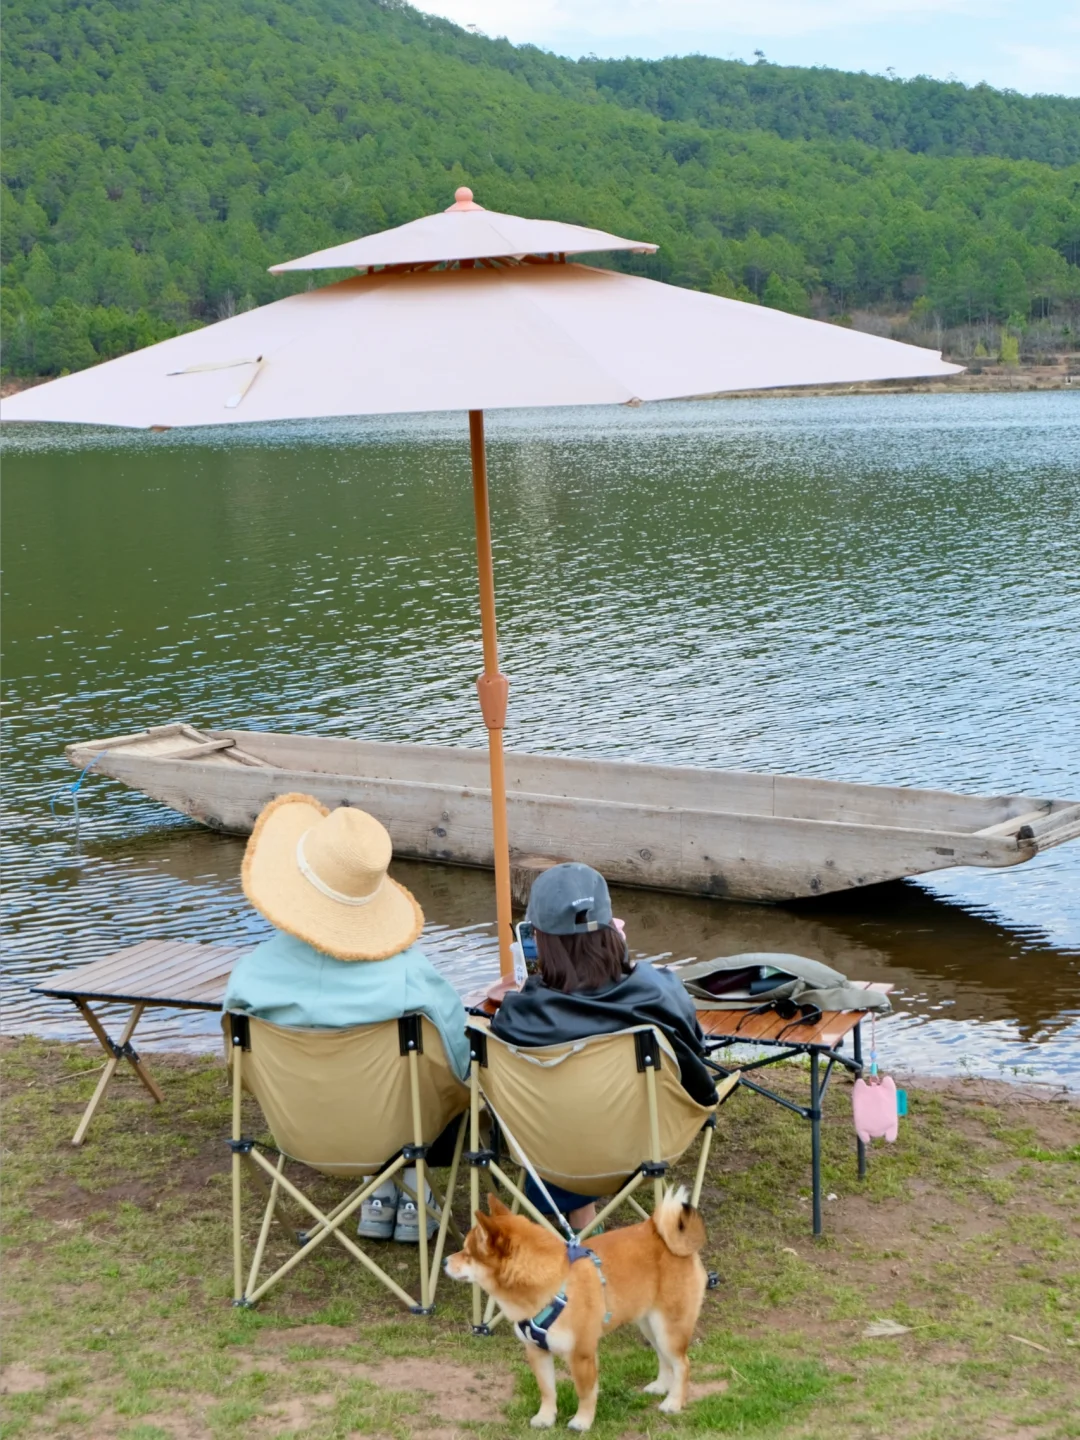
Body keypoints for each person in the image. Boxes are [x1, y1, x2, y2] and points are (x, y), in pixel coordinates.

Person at [223, 792, 469, 1244]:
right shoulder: (411, 978)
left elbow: (243, 1074)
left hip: (296, 1133)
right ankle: (411, 1192)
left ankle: (377, 1197)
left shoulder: (249, 978)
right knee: (441, 1085)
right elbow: (460, 1066)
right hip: (392, 1132)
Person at [490, 862, 717, 1231]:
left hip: (552, 1155)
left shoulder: (517, 1017)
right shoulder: (660, 991)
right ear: (613, 929)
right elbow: (695, 1054)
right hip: (646, 1145)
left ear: (538, 938)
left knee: (559, 1107)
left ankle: (576, 1221)